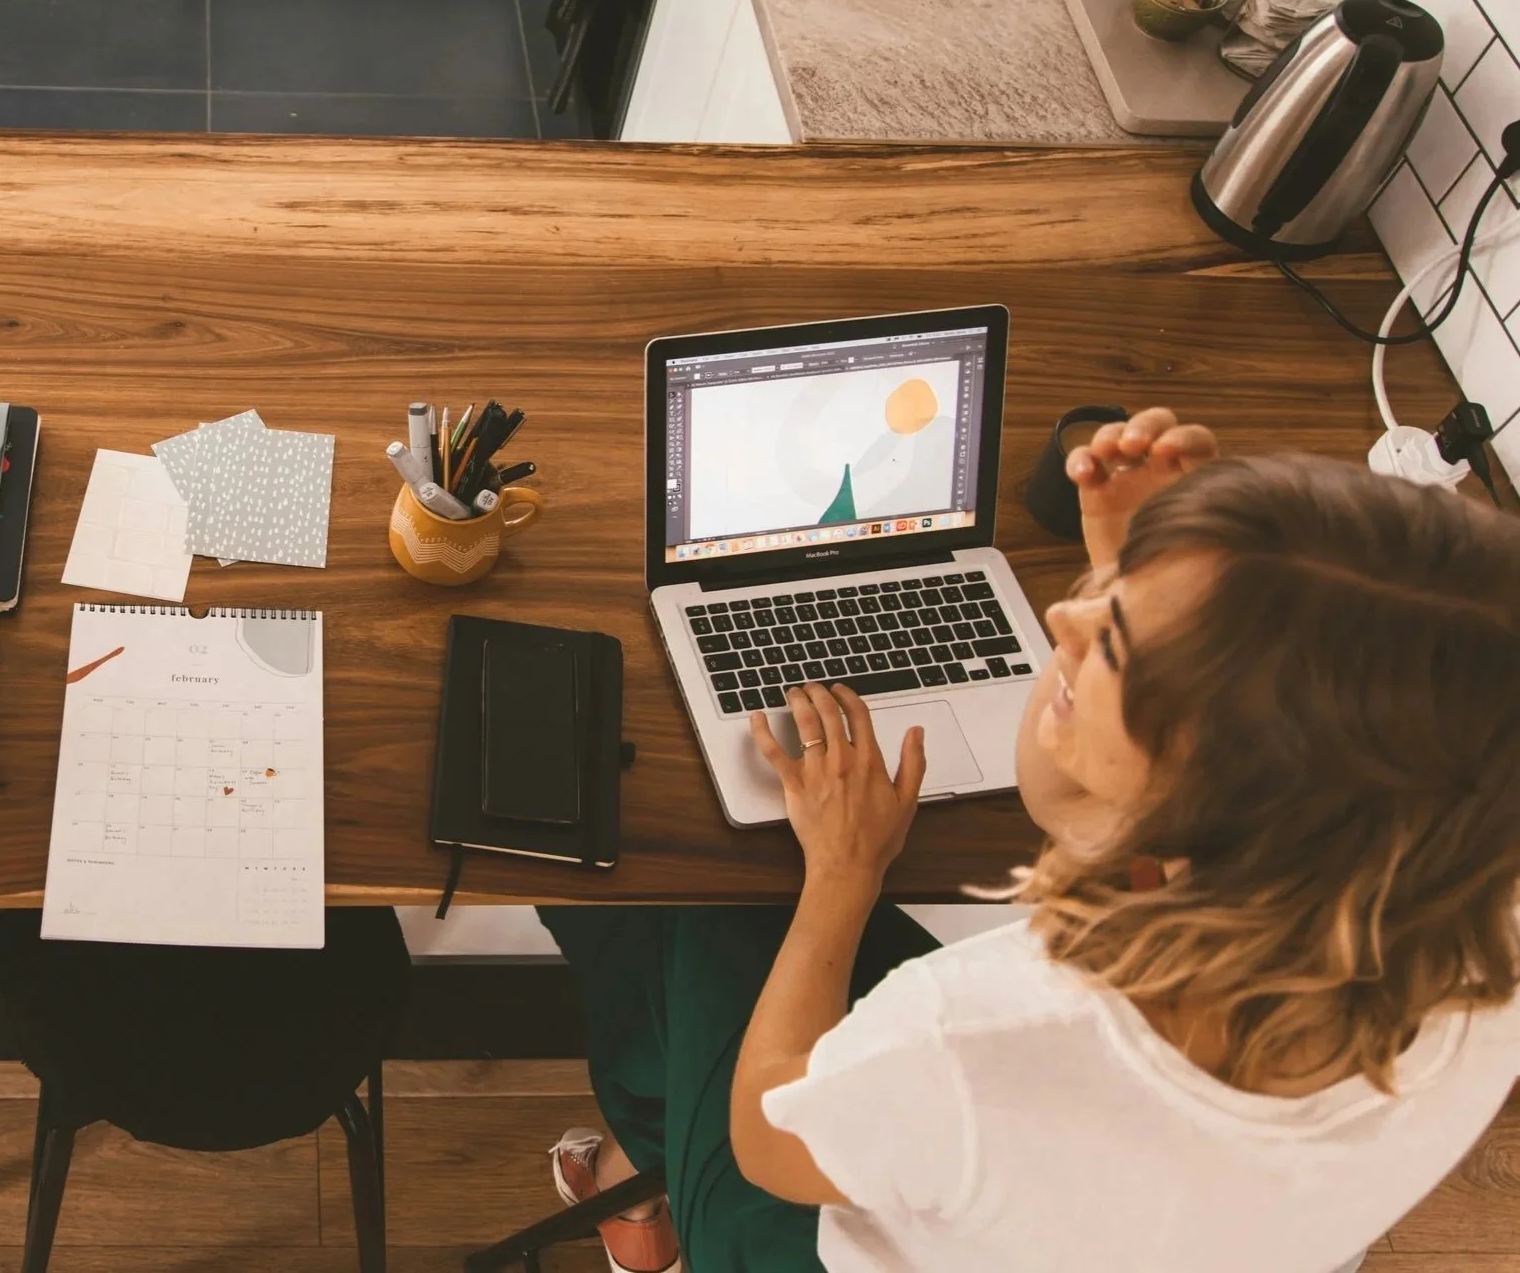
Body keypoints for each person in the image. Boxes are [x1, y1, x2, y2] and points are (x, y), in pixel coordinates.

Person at [540, 409, 1520, 1273]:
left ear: (1218, 796)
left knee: (694, 879)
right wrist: (1166, 571)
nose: (1059, 610)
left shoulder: (981, 1035)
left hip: (798, 1221)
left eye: (1117, 639)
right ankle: (639, 1165)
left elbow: (768, 1139)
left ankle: (650, 1189)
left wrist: (843, 872)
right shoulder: (1478, 934)